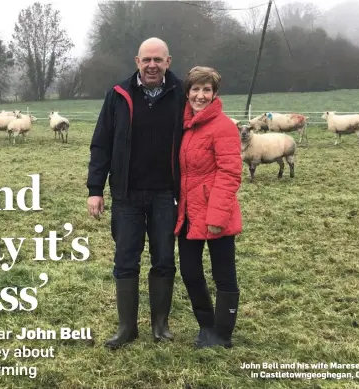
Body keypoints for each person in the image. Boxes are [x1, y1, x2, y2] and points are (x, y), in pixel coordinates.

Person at [86, 37, 186, 350]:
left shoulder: (182, 93)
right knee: (125, 261)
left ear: (168, 62)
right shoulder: (118, 95)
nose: (152, 65)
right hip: (126, 195)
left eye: (158, 60)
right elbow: (101, 143)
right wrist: (95, 189)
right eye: (147, 60)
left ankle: (160, 326)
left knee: (164, 259)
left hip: (165, 195)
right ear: (137, 62)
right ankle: (127, 328)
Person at [173, 66, 243, 349]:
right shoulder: (184, 124)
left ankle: (223, 334)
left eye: (207, 90)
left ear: (215, 94)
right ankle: (206, 325)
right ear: (187, 92)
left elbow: (230, 174)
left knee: (224, 273)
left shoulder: (223, 126)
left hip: (217, 212)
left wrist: (216, 216)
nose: (200, 96)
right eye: (195, 89)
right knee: (190, 271)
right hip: (188, 213)